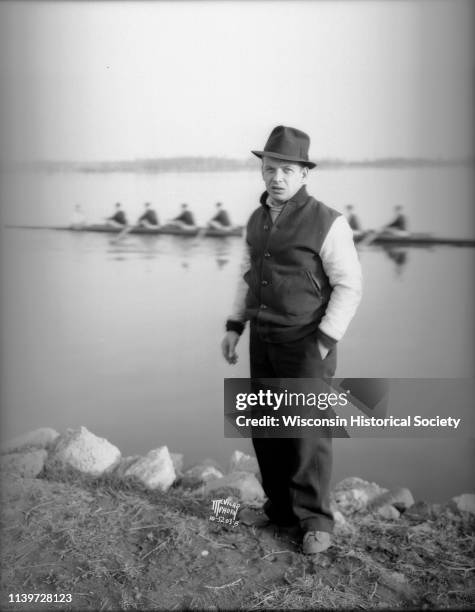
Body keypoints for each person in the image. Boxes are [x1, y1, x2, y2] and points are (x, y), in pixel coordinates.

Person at [221, 126, 362, 555]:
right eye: (269, 168)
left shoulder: (328, 221)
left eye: (286, 169)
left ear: (304, 174)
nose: (276, 177)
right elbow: (247, 277)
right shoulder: (256, 218)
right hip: (262, 339)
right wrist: (234, 326)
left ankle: (316, 519)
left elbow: (349, 285)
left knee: (308, 434)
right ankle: (280, 510)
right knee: (265, 429)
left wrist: (325, 338)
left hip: (306, 343)